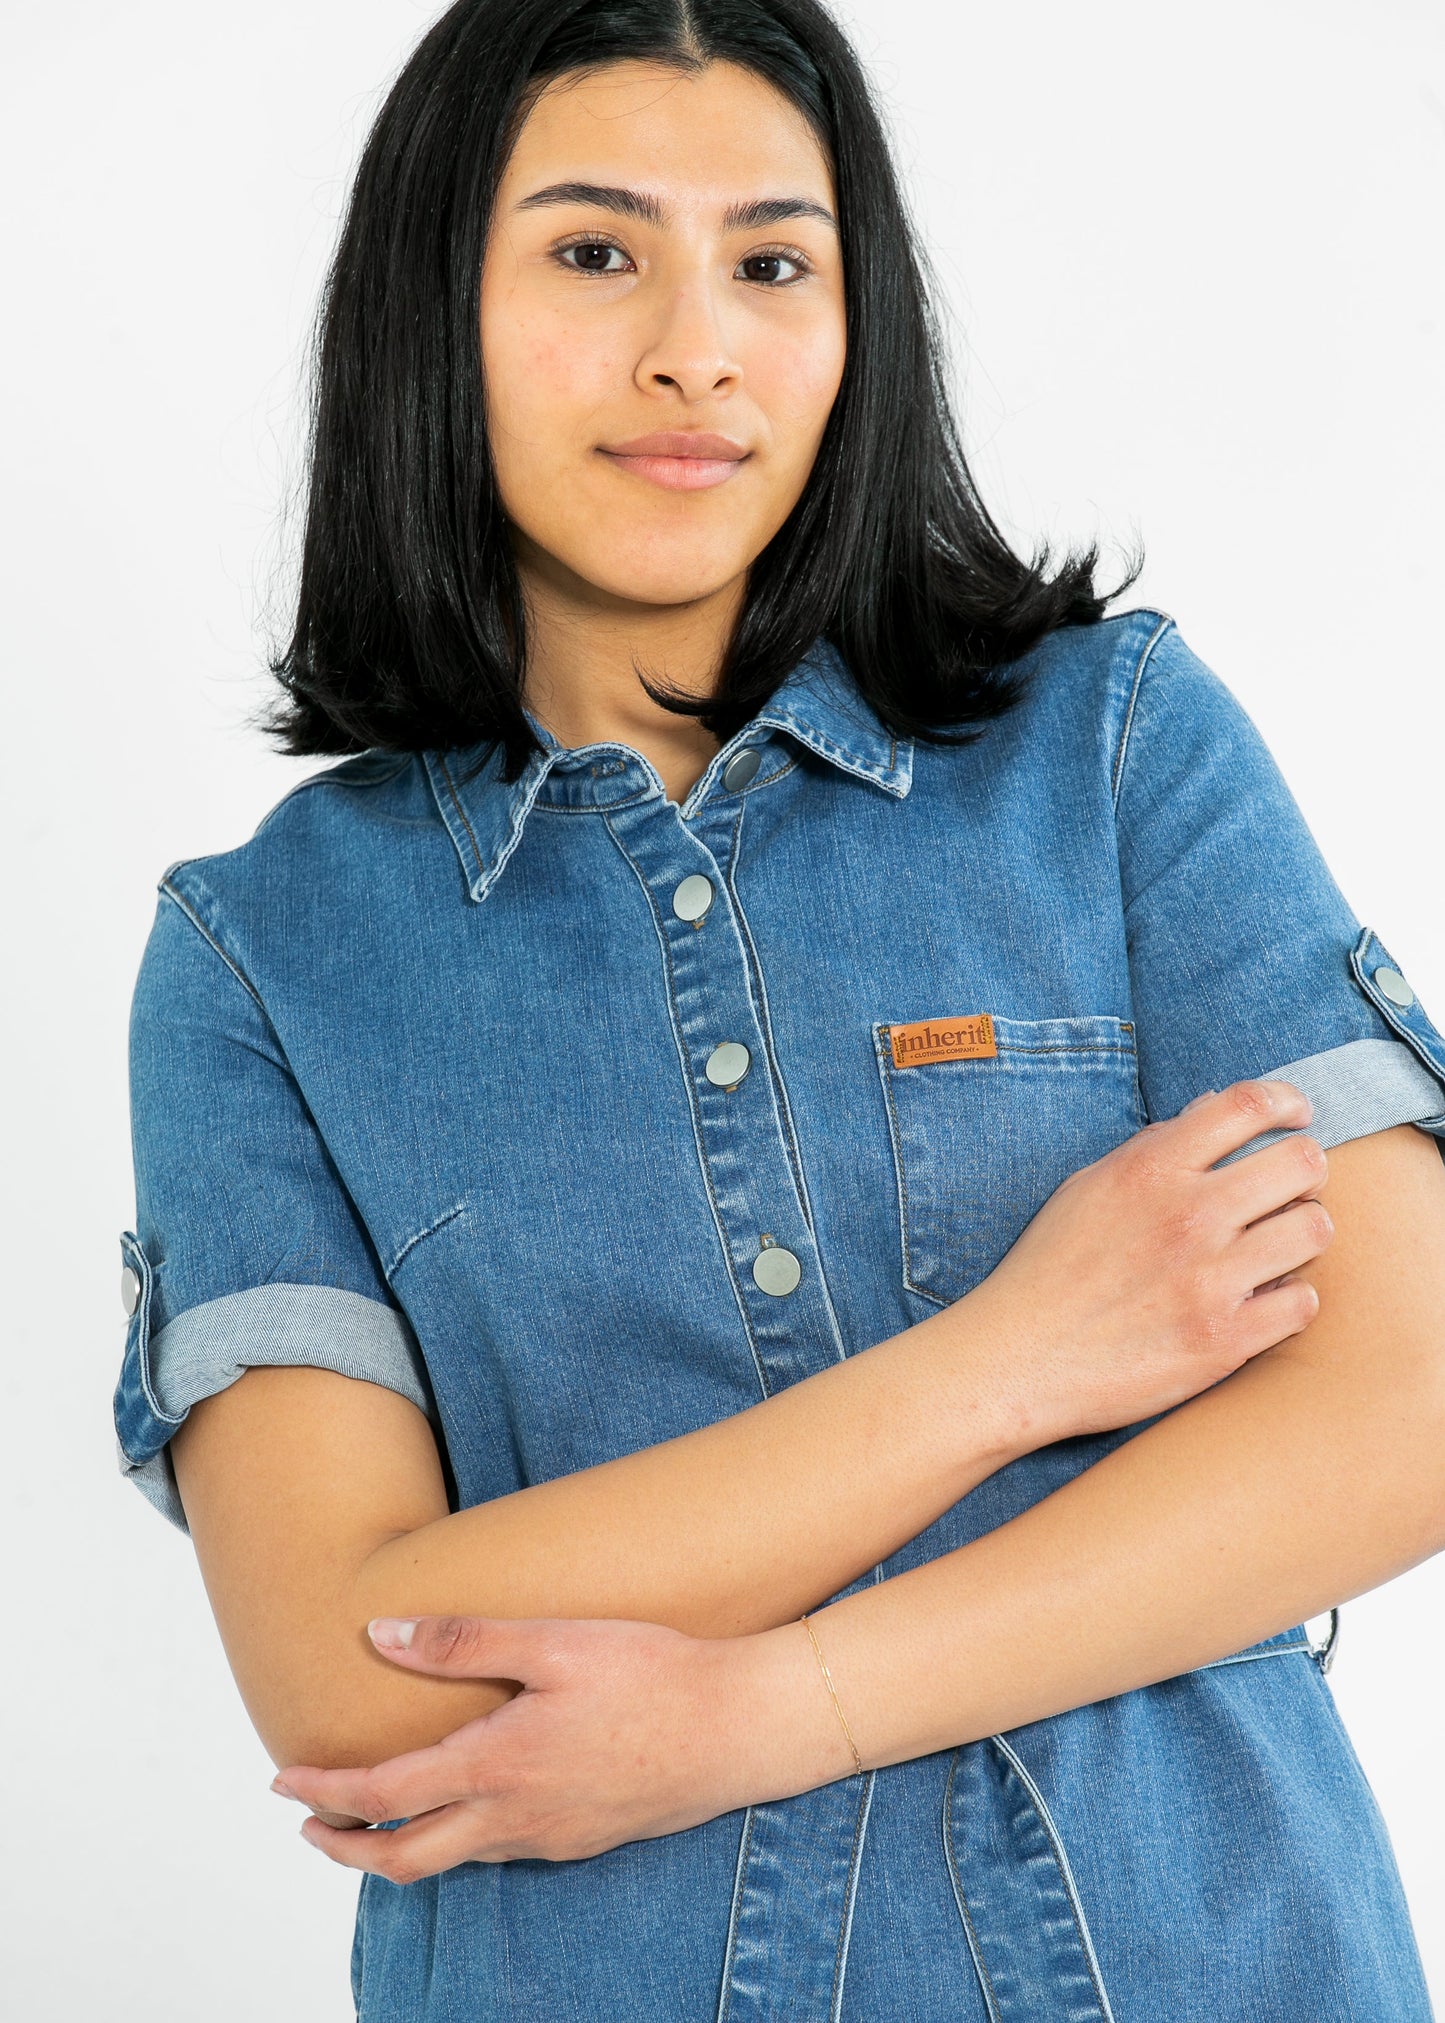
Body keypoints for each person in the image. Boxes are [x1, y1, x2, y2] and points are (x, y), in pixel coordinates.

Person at [112, 1, 1445, 2016]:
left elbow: (1405, 1410)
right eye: (591, 251)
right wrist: (1017, 1359)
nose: (693, 347)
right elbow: (349, 1664)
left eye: (772, 260)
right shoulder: (264, 954)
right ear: (429, 310)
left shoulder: (1115, 752)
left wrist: (758, 1712)